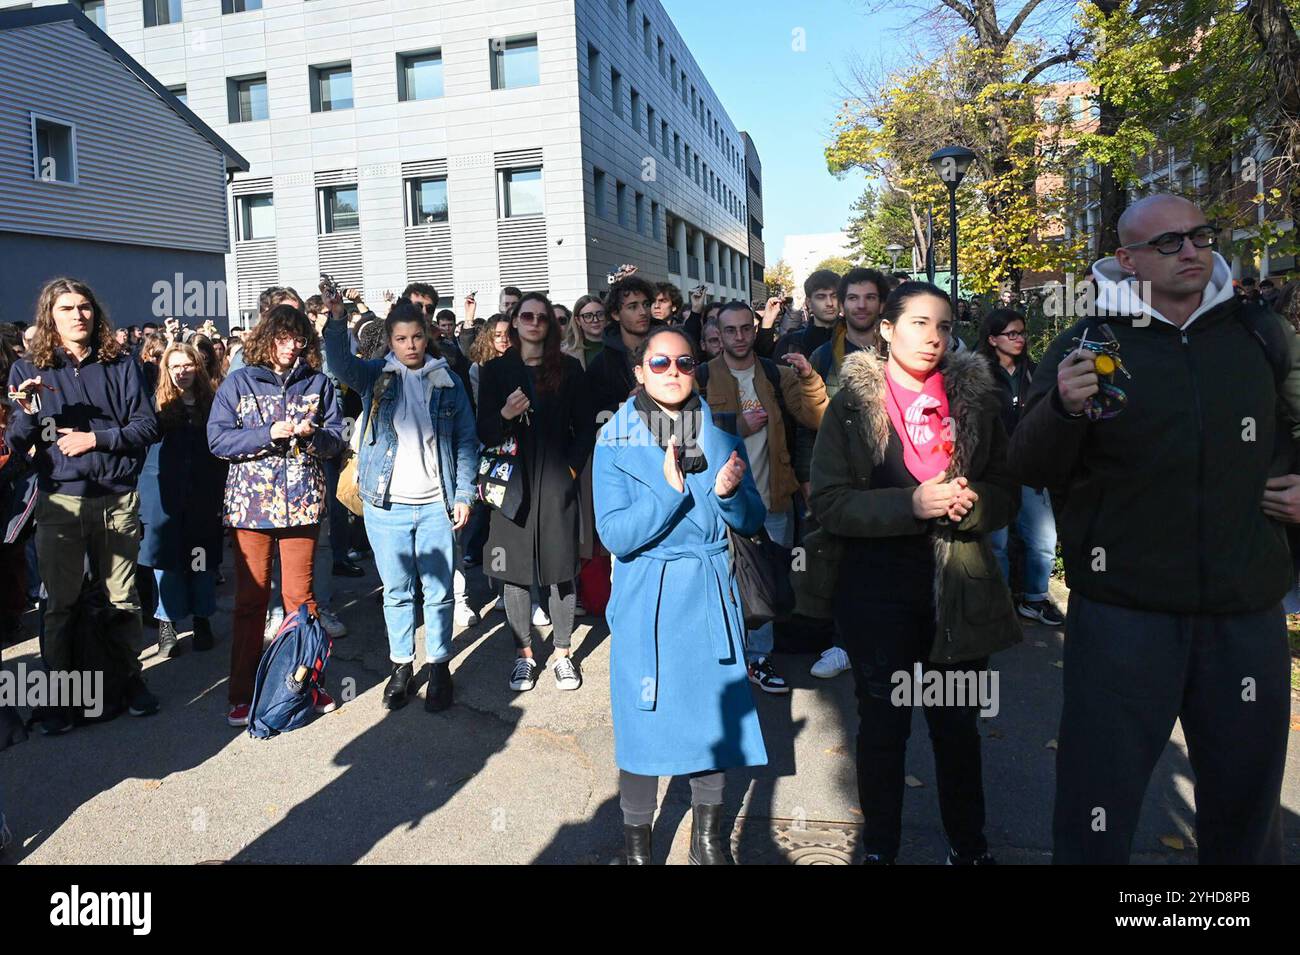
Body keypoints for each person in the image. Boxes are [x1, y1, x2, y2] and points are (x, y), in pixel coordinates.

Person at [1007, 193, 1296, 864]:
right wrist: (1063, 409)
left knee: (1246, 802)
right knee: (1096, 799)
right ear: (1127, 259)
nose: (1192, 250)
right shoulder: (1085, 341)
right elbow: (1026, 459)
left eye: (1199, 234)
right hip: (1123, 614)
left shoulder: (1261, 333)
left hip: (1245, 610)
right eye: (1169, 243)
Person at [810, 281, 1019, 865]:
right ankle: (880, 849)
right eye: (919, 323)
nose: (933, 337)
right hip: (878, 592)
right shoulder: (852, 403)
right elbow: (827, 502)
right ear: (887, 328)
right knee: (883, 728)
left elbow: (1007, 491)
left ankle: (969, 849)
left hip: (959, 587)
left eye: (945, 326)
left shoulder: (976, 399)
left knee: (957, 729)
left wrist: (972, 505)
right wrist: (911, 504)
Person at [595, 325, 768, 865]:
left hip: (711, 594)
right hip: (649, 595)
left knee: (711, 719)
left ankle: (709, 839)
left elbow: (753, 520)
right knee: (643, 722)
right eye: (661, 363)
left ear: (697, 370)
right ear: (640, 372)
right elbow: (616, 535)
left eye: (685, 363)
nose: (673, 373)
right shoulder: (614, 438)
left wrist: (730, 494)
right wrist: (671, 492)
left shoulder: (719, 435)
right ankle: (637, 845)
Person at [6, 278, 162, 733]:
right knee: (59, 602)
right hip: (60, 502)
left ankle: (129, 679)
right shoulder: (29, 370)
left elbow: (146, 426)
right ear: (49, 317)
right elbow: (17, 444)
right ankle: (59, 693)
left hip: (116, 499)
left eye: (85, 307)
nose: (78, 315)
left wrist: (97, 438)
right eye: (67, 308)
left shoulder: (122, 364)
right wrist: (29, 413)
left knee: (123, 599)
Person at [324, 300, 478, 710]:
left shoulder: (448, 381)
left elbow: (466, 440)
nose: (410, 345)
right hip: (385, 504)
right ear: (390, 341)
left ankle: (440, 664)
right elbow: (340, 365)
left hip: (436, 503)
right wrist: (337, 320)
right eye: (401, 338)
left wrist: (463, 494)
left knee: (439, 591)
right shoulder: (377, 376)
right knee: (396, 591)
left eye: (416, 337)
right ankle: (401, 666)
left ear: (426, 337)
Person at [207, 304, 347, 727]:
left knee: (302, 603)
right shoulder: (239, 381)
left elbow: (337, 440)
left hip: (302, 503)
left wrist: (314, 435)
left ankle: (305, 682)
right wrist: (266, 434)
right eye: (283, 338)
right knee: (251, 602)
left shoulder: (319, 383)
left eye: (299, 339)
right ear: (267, 338)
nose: (291, 347)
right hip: (251, 508)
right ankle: (241, 692)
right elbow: (217, 439)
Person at [700, 301, 828, 693]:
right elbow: (684, 430)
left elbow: (816, 418)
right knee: (720, 583)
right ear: (717, 336)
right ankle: (724, 659)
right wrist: (733, 423)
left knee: (768, 584)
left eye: (745, 329)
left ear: (755, 331)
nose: (739, 336)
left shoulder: (777, 373)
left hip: (772, 499)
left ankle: (760, 658)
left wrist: (809, 378)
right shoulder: (701, 376)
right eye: (730, 330)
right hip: (719, 502)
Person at [477, 293, 596, 692]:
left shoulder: (569, 369)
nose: (533, 323)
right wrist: (506, 415)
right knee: (513, 573)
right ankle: (524, 654)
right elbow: (483, 433)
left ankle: (563, 653)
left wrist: (572, 469)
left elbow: (585, 429)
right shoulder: (495, 371)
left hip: (556, 480)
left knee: (561, 570)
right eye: (525, 316)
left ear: (551, 325)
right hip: (511, 484)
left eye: (541, 318)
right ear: (514, 323)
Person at [138, 342, 227, 657]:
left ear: (197, 367)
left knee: (200, 559)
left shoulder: (214, 403)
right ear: (166, 370)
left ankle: (202, 616)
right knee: (167, 562)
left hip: (203, 495)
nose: (182, 371)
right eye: (175, 366)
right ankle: (167, 623)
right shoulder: (154, 405)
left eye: (187, 365)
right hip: (162, 496)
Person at [975, 309, 1063, 627]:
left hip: (1029, 465)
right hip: (994, 468)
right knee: (996, 541)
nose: (1020, 339)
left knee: (1042, 537)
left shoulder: (1035, 371)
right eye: (1011, 333)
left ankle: (1035, 599)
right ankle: (1000, 602)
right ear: (992, 339)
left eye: (1022, 333)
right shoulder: (977, 373)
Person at [586, 275, 655, 419]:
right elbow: (592, 418)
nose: (643, 312)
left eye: (646, 304)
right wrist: (626, 405)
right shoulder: (601, 365)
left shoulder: (669, 348)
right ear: (616, 314)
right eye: (633, 307)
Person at [467, 314, 512, 407]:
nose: (504, 339)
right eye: (498, 335)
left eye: (508, 334)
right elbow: (480, 402)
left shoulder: (524, 362)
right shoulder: (478, 368)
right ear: (489, 337)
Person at [562, 295, 607, 369]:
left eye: (600, 314)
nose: (595, 320)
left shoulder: (620, 345)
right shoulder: (566, 353)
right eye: (588, 316)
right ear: (578, 321)